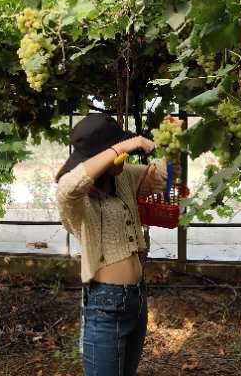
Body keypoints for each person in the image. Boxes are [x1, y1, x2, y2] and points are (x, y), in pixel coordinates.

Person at [56, 113, 167, 376]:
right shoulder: (76, 201)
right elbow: (67, 185)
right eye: (118, 151)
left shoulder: (123, 177)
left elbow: (162, 179)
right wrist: (121, 147)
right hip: (105, 305)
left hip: (137, 299)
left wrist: (172, 142)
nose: (125, 156)